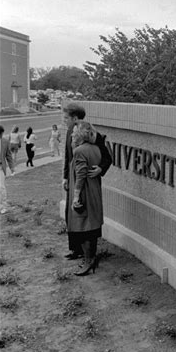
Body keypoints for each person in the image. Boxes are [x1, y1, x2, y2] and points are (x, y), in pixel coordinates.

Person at [62, 102, 112, 259]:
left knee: (86, 213)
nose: (64, 121)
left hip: (87, 180)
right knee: (72, 214)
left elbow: (107, 156)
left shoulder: (90, 133)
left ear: (75, 118)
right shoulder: (70, 131)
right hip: (73, 177)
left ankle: (88, 253)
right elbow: (67, 156)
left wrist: (100, 169)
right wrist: (64, 176)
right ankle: (75, 249)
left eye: (66, 118)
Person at [67, 121, 104, 276]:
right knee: (92, 225)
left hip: (84, 191)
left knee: (82, 225)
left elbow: (81, 175)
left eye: (75, 132)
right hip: (94, 190)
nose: (72, 134)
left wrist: (75, 197)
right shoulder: (95, 148)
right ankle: (91, 259)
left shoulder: (80, 151)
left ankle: (88, 261)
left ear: (79, 134)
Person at [0, 125, 16, 213]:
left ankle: (3, 206)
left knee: (1, 187)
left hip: (0, 168)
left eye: (1, 134)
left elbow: (9, 156)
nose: (1, 136)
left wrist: (12, 167)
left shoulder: (5, 142)